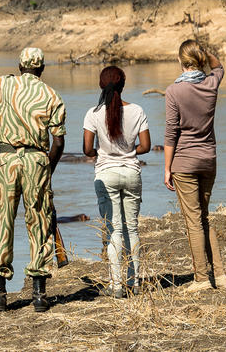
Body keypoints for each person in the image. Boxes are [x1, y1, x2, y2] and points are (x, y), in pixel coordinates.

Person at [0, 47, 65, 312]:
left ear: (20, 66)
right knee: (39, 222)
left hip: (7, 161)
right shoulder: (51, 95)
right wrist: (47, 168)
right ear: (42, 69)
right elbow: (58, 141)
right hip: (37, 161)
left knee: (3, 222)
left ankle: (0, 294)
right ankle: (39, 295)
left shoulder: (5, 84)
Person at [164, 40, 226, 292]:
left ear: (180, 62)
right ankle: (221, 276)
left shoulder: (174, 91)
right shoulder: (211, 84)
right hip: (208, 159)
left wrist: (167, 168)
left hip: (184, 161)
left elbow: (171, 133)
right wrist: (206, 54)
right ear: (200, 59)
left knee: (193, 221)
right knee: (203, 217)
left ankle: (202, 278)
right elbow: (219, 66)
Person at [83, 66, 151, 298]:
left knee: (114, 230)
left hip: (105, 174)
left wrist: (103, 151)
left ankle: (116, 285)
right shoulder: (138, 111)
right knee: (132, 227)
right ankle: (135, 282)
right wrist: (128, 151)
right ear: (123, 85)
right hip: (132, 172)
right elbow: (146, 146)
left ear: (101, 86)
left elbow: (87, 150)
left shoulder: (92, 113)